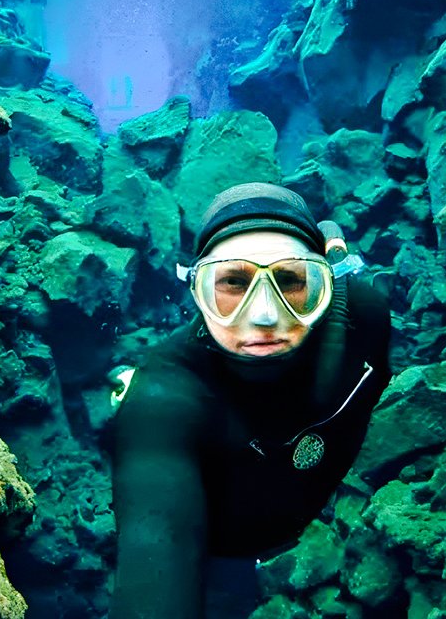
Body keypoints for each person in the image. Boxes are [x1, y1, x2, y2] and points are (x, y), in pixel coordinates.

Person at [110, 183, 393, 618]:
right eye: (233, 282)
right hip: (222, 551)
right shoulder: (161, 401)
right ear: (197, 291)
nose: (263, 314)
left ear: (325, 285)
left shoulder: (365, 318)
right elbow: (154, 545)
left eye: (290, 280)